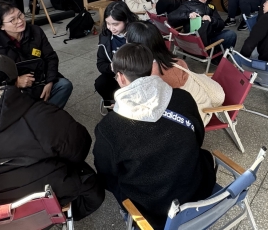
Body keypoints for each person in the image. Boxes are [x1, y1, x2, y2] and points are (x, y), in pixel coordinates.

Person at [0, 55, 104, 219]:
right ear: (17, 83)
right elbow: (79, 148)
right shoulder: (44, 115)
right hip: (38, 210)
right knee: (85, 176)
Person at [93, 44, 216, 229]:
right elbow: (198, 136)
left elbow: (105, 173)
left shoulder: (108, 127)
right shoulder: (182, 97)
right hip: (199, 189)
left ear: (121, 77)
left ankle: (129, 214)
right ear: (152, 68)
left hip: (153, 211)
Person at [125, 22, 225, 126]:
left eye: (126, 38)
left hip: (194, 117)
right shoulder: (171, 60)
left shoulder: (153, 75)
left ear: (135, 47)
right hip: (199, 104)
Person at [0, 1, 73, 109]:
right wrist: (15, 82)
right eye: (12, 20)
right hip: (11, 90)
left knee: (64, 85)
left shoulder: (36, 31)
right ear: (1, 26)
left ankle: (44, 113)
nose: (20, 21)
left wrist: (49, 81)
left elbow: (50, 57)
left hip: (38, 81)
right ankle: (36, 114)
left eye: (20, 15)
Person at [168, 0, 237, 49]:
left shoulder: (211, 6)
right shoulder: (188, 5)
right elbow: (171, 17)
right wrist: (188, 15)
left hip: (208, 37)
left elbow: (221, 25)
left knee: (231, 34)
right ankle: (217, 54)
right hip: (197, 42)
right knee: (230, 35)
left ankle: (218, 54)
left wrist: (211, 19)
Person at [96, 1, 139, 107]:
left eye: (115, 24)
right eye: (108, 23)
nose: (111, 28)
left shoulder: (137, 34)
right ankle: (113, 107)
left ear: (126, 20)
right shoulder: (105, 36)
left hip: (136, 76)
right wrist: (111, 67)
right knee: (100, 83)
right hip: (115, 74)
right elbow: (100, 63)